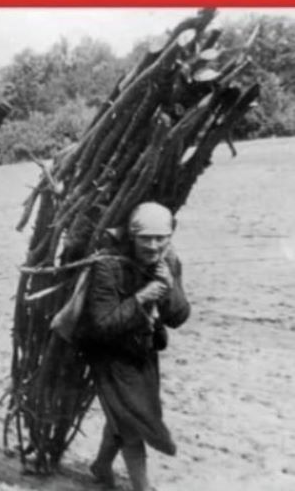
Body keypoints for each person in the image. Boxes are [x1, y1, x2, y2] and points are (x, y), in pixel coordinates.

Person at [80, 202, 191, 491]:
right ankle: (142, 487)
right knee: (132, 424)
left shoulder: (169, 262)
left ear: (170, 236)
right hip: (110, 355)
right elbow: (102, 324)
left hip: (143, 353)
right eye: (145, 238)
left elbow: (178, 318)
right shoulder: (108, 265)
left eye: (160, 238)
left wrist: (169, 288)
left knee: (128, 414)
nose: (153, 246)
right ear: (132, 236)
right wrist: (141, 298)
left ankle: (101, 464)